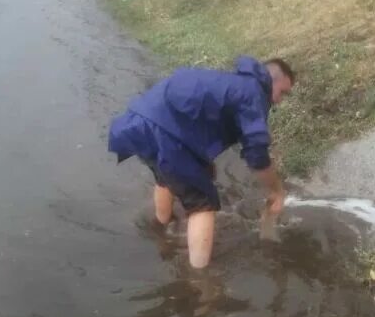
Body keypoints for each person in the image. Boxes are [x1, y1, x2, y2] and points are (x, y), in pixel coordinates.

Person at [108, 56, 295, 269]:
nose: (280, 100)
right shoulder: (253, 95)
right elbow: (257, 154)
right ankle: (201, 283)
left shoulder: (229, 82)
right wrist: (276, 190)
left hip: (137, 123)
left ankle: (161, 228)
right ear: (271, 79)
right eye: (283, 92)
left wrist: (200, 161)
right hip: (166, 135)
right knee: (203, 204)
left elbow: (193, 117)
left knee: (167, 178)